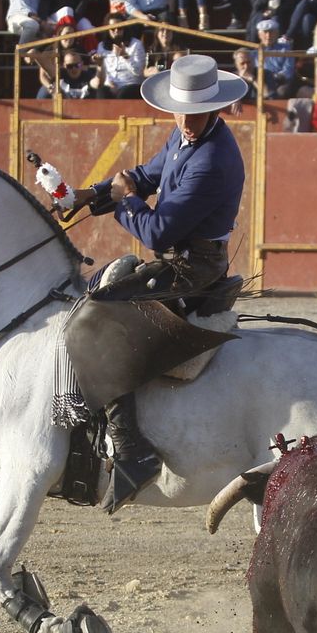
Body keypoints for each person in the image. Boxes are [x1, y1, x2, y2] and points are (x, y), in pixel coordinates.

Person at [68, 53, 249, 512]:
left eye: (195, 113)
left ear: (215, 109)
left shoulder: (213, 159)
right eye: (182, 112)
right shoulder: (187, 135)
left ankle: (132, 450)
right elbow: (147, 175)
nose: (186, 121)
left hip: (193, 268)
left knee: (105, 322)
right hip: (181, 258)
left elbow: (157, 230)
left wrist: (127, 200)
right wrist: (93, 194)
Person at [95, 24, 145, 99]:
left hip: (130, 85)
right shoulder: (102, 46)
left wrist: (125, 56)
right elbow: (103, 75)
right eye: (112, 28)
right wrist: (108, 83)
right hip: (111, 85)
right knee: (101, 92)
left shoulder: (136, 44)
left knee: (123, 94)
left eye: (119, 28)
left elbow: (139, 72)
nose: (116, 31)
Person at [254, 18, 297, 99]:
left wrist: (273, 78)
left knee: (282, 91)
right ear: (259, 35)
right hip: (261, 82)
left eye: (271, 32)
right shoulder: (254, 53)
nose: (268, 36)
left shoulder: (286, 49)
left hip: (280, 82)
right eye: (265, 32)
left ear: (277, 34)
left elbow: (288, 70)